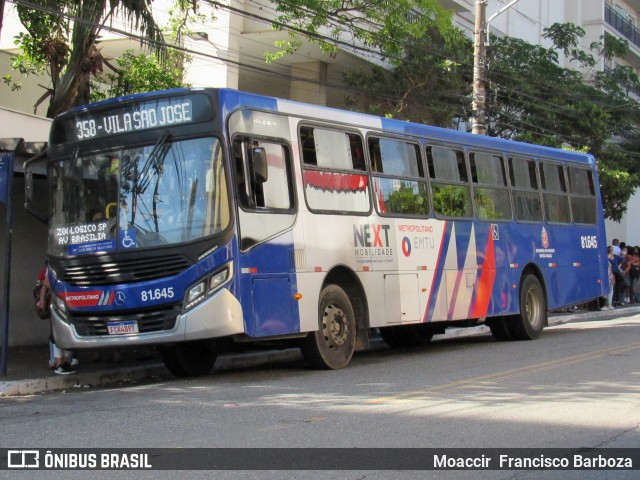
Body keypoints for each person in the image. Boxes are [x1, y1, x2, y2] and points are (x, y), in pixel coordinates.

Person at [36, 262, 76, 375]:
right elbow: (46, 284)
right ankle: (59, 362)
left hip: (64, 303)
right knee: (57, 333)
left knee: (66, 331)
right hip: (57, 304)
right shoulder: (54, 269)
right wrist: (43, 300)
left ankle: (64, 361)